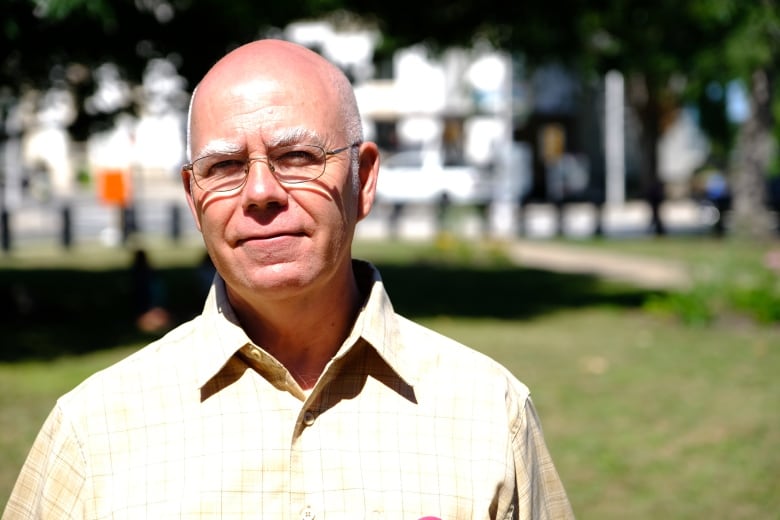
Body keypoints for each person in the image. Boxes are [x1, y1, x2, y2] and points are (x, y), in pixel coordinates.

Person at [3, 40, 574, 519]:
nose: (259, 193)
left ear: (364, 178)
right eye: (224, 167)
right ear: (193, 197)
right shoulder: (91, 432)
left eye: (298, 156)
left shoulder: (489, 411)